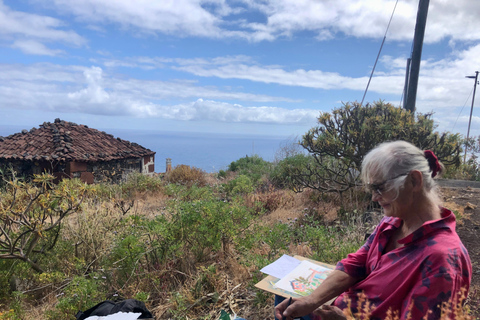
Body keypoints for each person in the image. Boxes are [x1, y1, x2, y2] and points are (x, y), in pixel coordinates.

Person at [275, 140, 472, 320]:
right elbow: (356, 264)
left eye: (379, 188)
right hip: (339, 310)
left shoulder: (443, 261)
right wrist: (312, 300)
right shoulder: (392, 222)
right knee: (284, 303)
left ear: (414, 181)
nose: (374, 198)